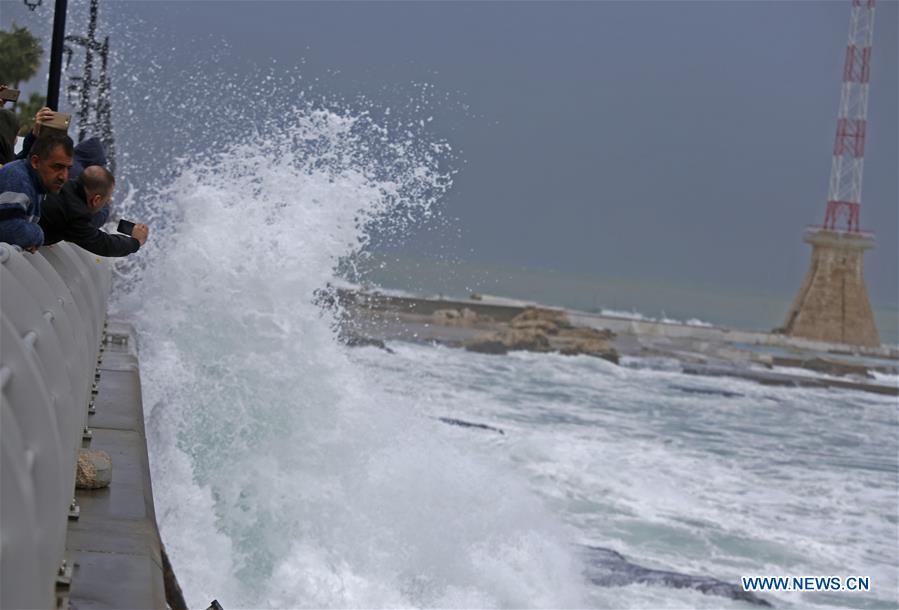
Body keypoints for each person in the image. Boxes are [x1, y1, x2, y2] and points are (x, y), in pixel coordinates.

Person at [39, 165, 148, 256]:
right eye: (106, 199)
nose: (107, 202)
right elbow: (104, 245)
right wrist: (135, 242)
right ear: (96, 199)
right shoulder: (75, 215)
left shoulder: (65, 183)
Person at [0, 131, 73, 251]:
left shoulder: (37, 183)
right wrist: (38, 234)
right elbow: (9, 229)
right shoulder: (17, 178)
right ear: (35, 162)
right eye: (57, 167)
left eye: (68, 169)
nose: (64, 176)